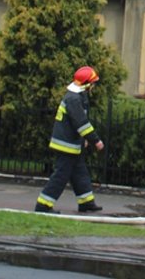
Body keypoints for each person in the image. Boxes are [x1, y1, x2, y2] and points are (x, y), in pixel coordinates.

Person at [34, 66, 105, 214]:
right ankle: (43, 205)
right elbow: (81, 123)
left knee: (79, 172)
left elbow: (77, 123)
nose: (93, 87)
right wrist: (95, 140)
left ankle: (86, 202)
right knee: (61, 175)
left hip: (72, 144)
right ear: (86, 84)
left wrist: (83, 140)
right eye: (92, 84)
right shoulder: (74, 99)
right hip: (66, 145)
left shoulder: (77, 97)